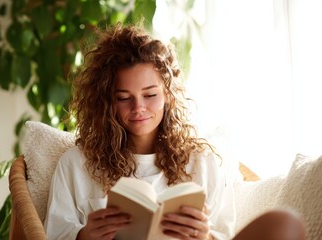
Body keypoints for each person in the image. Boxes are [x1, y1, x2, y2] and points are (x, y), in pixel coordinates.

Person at [43, 23, 305, 240]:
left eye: (150, 95)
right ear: (107, 101)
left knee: (283, 223)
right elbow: (52, 233)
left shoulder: (202, 160)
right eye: (124, 98)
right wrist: (85, 235)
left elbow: (225, 231)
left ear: (168, 94)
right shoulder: (77, 164)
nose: (139, 108)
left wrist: (205, 236)